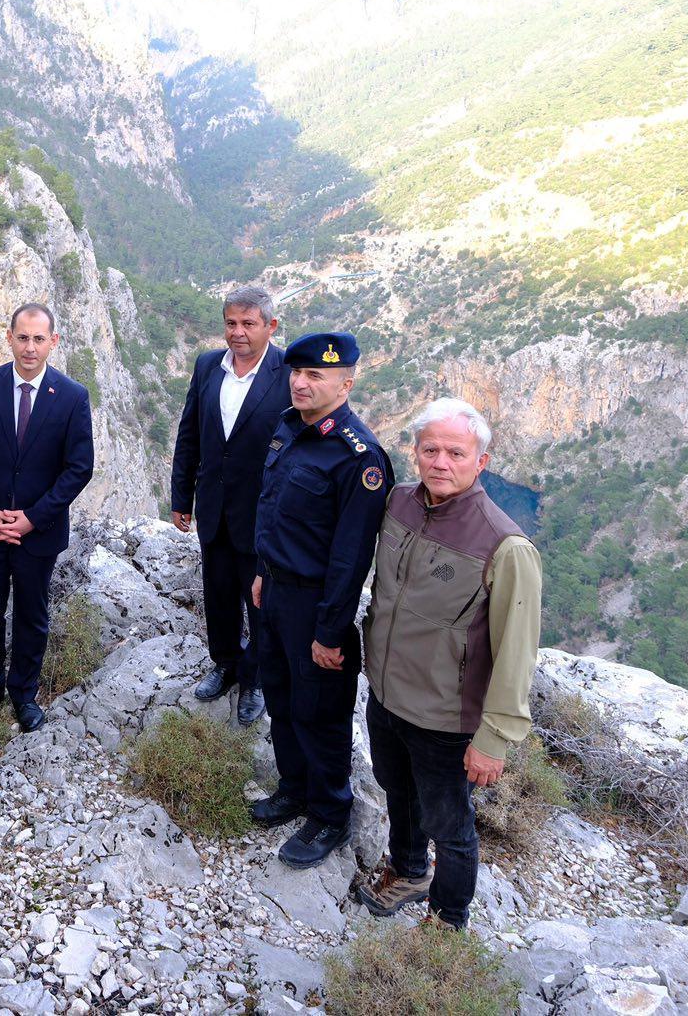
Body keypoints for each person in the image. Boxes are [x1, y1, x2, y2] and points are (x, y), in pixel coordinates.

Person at [356, 398, 542, 930]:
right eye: (430, 449)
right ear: (414, 452)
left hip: (444, 715)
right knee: (396, 788)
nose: (441, 462)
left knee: (451, 825)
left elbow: (517, 651)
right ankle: (409, 871)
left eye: (455, 453)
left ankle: (447, 920)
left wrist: (494, 738)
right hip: (388, 693)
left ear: (480, 462)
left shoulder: (505, 546)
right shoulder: (398, 505)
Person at [249, 332, 393, 870]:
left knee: (320, 713)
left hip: (318, 604)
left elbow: (350, 557)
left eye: (316, 376)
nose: (301, 382)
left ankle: (331, 814)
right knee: (282, 698)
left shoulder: (359, 456)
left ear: (346, 383)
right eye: (297, 372)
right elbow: (273, 510)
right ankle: (294, 788)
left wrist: (330, 631)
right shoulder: (289, 429)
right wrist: (265, 572)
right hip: (278, 591)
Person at [0, 303, 95, 733]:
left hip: (40, 532)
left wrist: (33, 518)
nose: (30, 347)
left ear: (53, 341)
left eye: (39, 339)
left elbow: (79, 467)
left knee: (32, 614)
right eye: (23, 337)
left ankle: (24, 694)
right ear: (10, 338)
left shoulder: (72, 396)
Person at [169, 285, 285, 726]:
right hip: (214, 509)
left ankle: (253, 680)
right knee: (217, 595)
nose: (238, 333)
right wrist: (182, 497)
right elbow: (189, 434)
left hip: (263, 515)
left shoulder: (288, 371)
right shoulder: (207, 367)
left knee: (259, 602)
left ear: (270, 326)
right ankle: (224, 664)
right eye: (231, 323)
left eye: (248, 324)